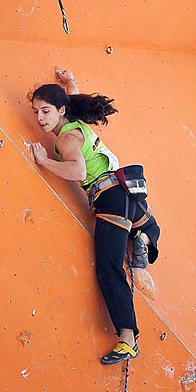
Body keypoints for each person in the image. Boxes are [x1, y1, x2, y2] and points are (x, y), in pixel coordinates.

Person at [28, 68, 160, 365]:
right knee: (152, 226)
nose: (40, 118)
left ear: (60, 111)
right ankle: (142, 237)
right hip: (130, 194)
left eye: (46, 111)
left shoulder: (65, 140)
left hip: (109, 199)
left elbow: (78, 172)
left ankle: (127, 340)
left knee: (109, 268)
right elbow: (73, 97)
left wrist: (44, 160)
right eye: (36, 111)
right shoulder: (76, 118)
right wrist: (70, 81)